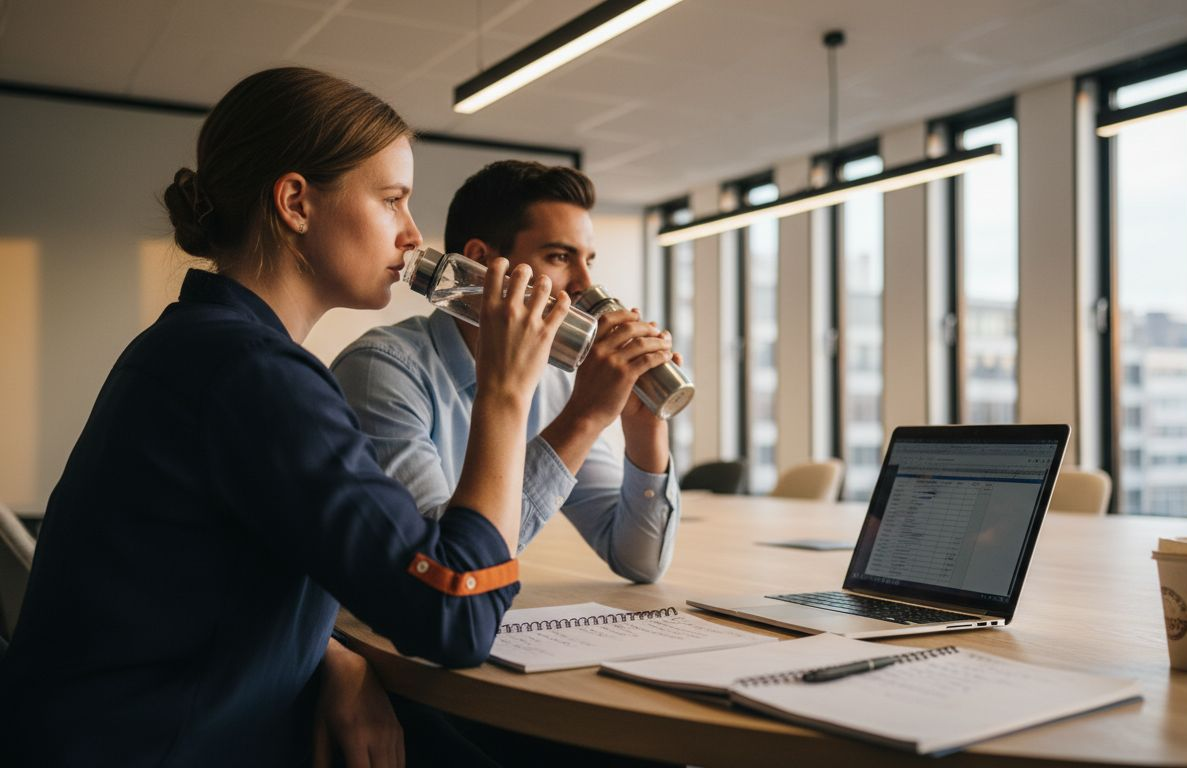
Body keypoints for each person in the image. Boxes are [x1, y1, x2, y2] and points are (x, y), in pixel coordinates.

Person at [0, 67, 563, 767]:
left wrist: (335, 656)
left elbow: (214, 576)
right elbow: (454, 615)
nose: (414, 236)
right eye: (392, 200)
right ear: (296, 202)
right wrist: (506, 395)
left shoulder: (200, 345)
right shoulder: (251, 374)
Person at [331, 161, 681, 584]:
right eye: (558, 256)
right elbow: (439, 571)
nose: (584, 285)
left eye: (587, 260)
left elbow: (639, 560)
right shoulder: (382, 371)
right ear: (482, 262)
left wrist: (645, 429)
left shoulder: (552, 382)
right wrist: (584, 418)